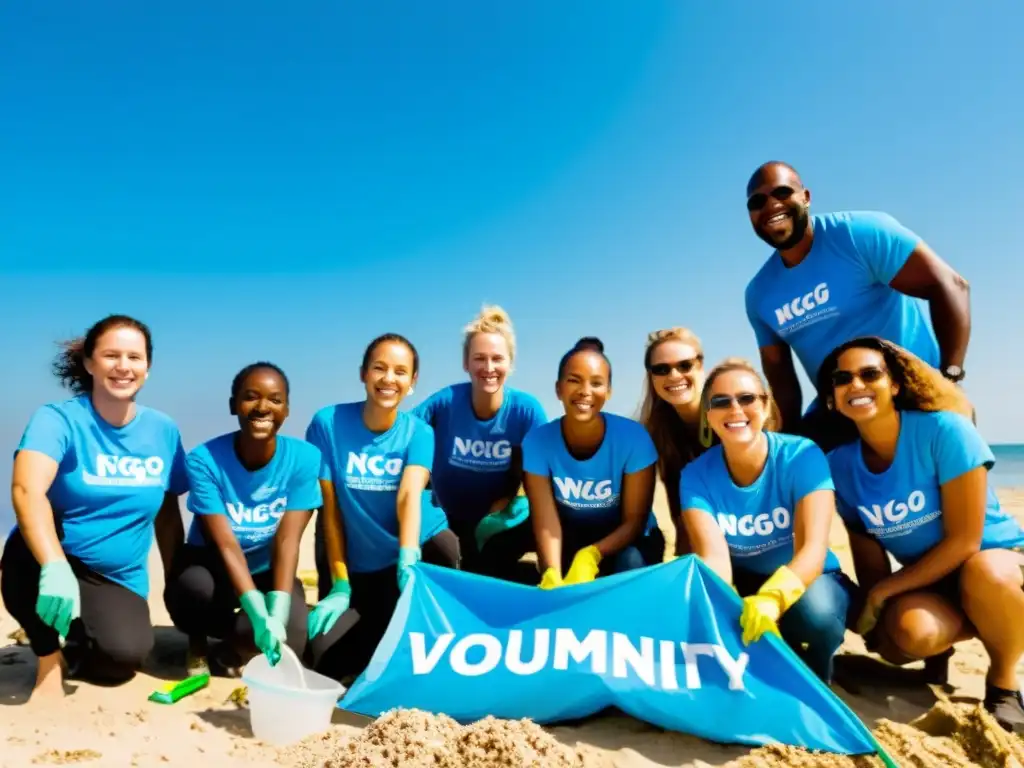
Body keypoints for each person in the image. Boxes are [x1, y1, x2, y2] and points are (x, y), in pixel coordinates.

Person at [820, 336, 1024, 732]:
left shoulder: (945, 431)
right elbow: (867, 550)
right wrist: (880, 619)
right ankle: (943, 651)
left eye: (870, 374)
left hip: (997, 561)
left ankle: (1003, 681)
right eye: (842, 379)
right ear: (832, 396)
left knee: (986, 573)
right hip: (931, 579)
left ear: (894, 383)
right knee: (906, 637)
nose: (856, 385)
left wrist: (882, 594)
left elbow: (965, 541)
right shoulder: (839, 465)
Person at [1, 315, 187, 700]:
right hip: (53, 556)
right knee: (21, 556)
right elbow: (26, 489)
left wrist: (174, 578)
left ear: (147, 368)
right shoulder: (57, 420)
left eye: (134, 357)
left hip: (118, 575)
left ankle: (77, 636)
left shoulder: (163, 430)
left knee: (121, 660)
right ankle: (48, 656)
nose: (123, 366)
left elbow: (168, 512)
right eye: (111, 355)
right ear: (89, 363)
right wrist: (54, 566)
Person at [742, 161, 971, 448]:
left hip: (915, 397)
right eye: (757, 201)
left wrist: (949, 380)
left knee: (950, 479)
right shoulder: (759, 294)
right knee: (797, 469)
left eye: (782, 192)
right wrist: (784, 450)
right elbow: (784, 386)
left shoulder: (858, 234)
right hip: (844, 409)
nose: (771, 205)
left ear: (806, 197)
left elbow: (951, 286)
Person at [679, 358, 853, 683]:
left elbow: (813, 550)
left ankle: (820, 669)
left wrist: (774, 598)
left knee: (818, 616)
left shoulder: (802, 455)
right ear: (707, 413)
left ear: (765, 403)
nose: (735, 409)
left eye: (746, 398)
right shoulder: (695, 476)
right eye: (721, 401)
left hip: (812, 578)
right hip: (747, 583)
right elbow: (715, 560)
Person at [305, 333, 460, 682]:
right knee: (321, 658)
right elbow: (329, 512)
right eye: (380, 368)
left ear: (412, 382)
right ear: (363, 373)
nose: (389, 379)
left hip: (405, 556)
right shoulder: (327, 423)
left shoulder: (419, 432)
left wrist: (407, 557)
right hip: (353, 560)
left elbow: (409, 495)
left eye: (400, 371)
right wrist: (340, 585)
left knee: (404, 654)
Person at [163, 363, 321, 677]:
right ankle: (197, 641)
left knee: (291, 630)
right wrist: (255, 608)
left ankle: (230, 648)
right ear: (234, 404)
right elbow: (225, 544)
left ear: (287, 410)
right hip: (213, 566)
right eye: (251, 397)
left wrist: (275, 608)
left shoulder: (304, 458)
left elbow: (288, 540)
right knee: (192, 588)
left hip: (267, 567)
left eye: (275, 400)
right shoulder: (204, 459)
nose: (263, 407)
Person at [413, 306, 547, 581]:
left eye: (497, 359)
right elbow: (401, 433)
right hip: (446, 518)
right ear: (466, 363)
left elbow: (545, 471)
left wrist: (509, 498)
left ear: (510, 363)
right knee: (457, 565)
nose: (488, 368)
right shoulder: (445, 401)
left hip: (495, 520)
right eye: (479, 359)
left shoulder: (526, 410)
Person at [523, 337, 664, 588]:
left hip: (627, 542)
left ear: (608, 392)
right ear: (558, 388)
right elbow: (546, 520)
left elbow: (635, 521)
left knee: (630, 563)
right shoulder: (537, 442)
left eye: (596, 383)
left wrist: (591, 555)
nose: (585, 391)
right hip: (573, 540)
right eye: (574, 380)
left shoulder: (634, 440)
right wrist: (551, 572)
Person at [638, 326, 707, 557]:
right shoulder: (658, 431)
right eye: (661, 369)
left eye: (685, 365)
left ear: (701, 365)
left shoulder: (732, 412)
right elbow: (679, 514)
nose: (674, 376)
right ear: (651, 376)